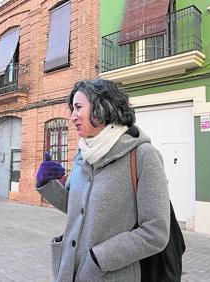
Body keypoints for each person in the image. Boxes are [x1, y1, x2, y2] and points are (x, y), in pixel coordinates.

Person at [36, 79, 170, 282]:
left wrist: (98, 260)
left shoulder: (143, 156)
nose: (72, 117)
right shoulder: (83, 154)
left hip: (109, 275)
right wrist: (46, 184)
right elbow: (76, 208)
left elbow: (155, 232)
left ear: (101, 108)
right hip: (69, 271)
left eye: (78, 107)